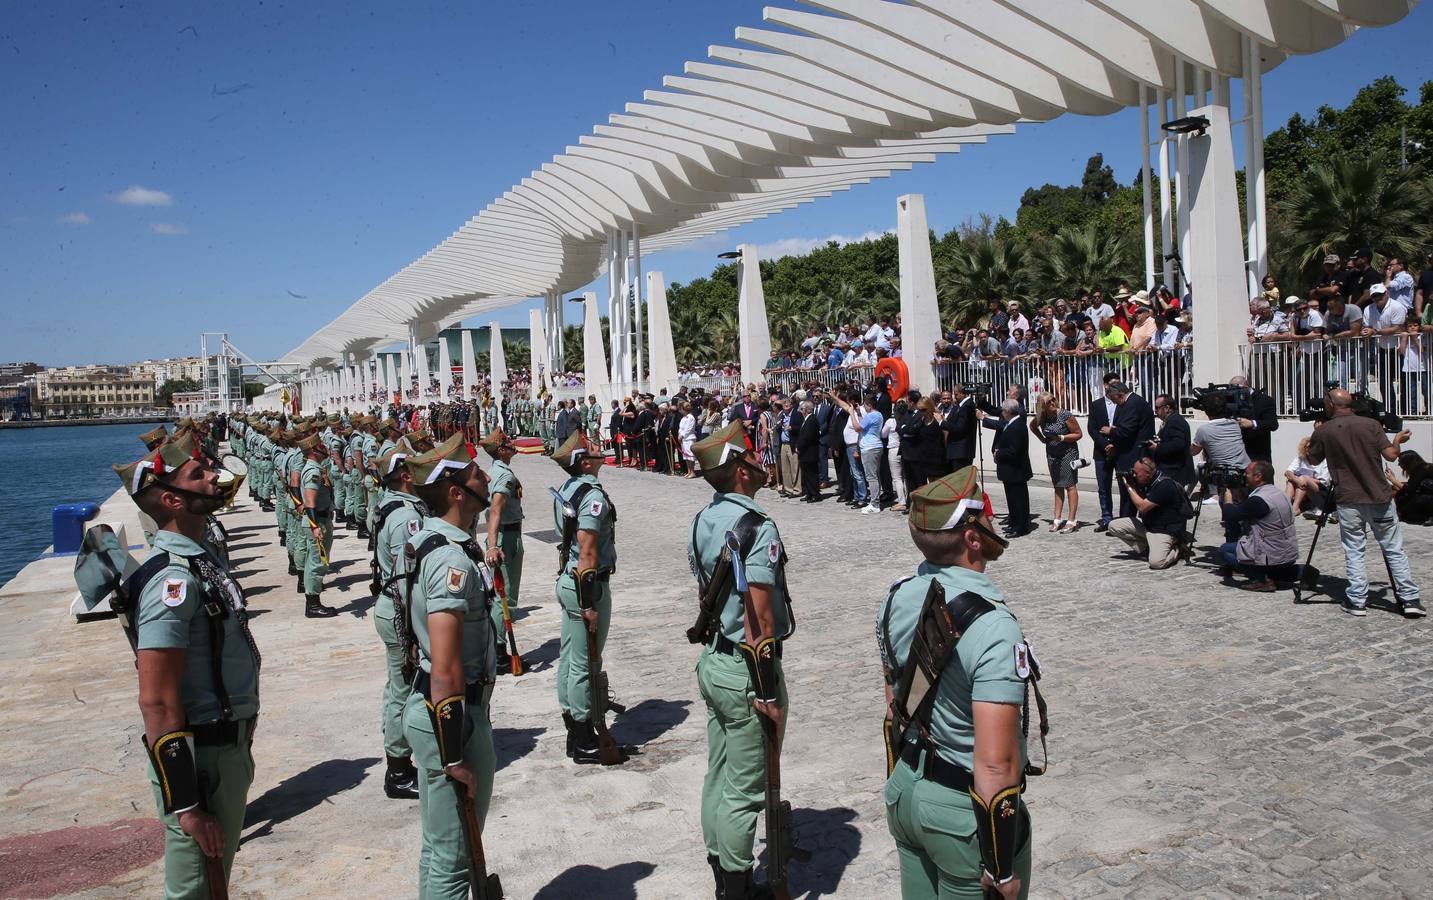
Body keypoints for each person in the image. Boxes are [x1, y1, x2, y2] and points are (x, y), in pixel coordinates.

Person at [877, 467, 1043, 900]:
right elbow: (995, 763)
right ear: (972, 538)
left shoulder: (896, 595)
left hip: (907, 789)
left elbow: (894, 702)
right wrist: (1000, 865)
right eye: (986, 515)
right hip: (961, 814)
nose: (993, 522)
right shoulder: (994, 626)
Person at [108, 434, 261, 898]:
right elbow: (156, 698)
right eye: (199, 474)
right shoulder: (172, 580)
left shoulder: (199, 561)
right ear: (172, 500)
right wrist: (187, 802)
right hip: (201, 756)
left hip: (225, 746)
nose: (214, 475)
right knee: (195, 886)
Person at [686, 421, 795, 899]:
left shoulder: (705, 517)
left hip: (716, 658)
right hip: (746, 668)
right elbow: (760, 621)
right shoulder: (757, 525)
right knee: (746, 790)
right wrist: (768, 690)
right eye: (751, 455)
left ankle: (719, 864)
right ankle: (735, 885)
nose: (759, 460)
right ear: (741, 469)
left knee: (720, 771)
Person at [400, 434, 499, 896]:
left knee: (442, 848)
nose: (487, 477)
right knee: (455, 857)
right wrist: (454, 751)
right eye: (477, 473)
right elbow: (444, 665)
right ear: (457, 492)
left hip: (449, 710)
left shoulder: (440, 542)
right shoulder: (448, 558)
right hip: (450, 714)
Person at [1306, 388, 1423, 617]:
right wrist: (1398, 440)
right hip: (1378, 496)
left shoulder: (1325, 430)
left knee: (1354, 550)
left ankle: (1357, 600)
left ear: (1330, 404)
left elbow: (1312, 459)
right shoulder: (1371, 425)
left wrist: (1315, 435)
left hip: (1348, 499)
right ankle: (1409, 599)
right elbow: (1391, 455)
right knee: (1393, 549)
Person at [547, 431, 628, 763]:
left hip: (569, 578)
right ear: (584, 461)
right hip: (587, 583)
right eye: (594, 448)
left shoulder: (568, 488)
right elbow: (588, 550)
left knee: (569, 657)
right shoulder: (591, 494)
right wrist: (588, 602)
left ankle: (573, 725)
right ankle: (583, 736)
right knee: (584, 662)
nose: (600, 450)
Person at [371, 447, 425, 801]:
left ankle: (400, 764)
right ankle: (399, 772)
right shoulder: (406, 516)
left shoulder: (386, 502)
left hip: (387, 603)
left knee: (398, 688)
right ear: (405, 475)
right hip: (398, 609)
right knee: (402, 690)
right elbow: (407, 576)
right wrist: (412, 628)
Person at [1218, 460, 1299, 592]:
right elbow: (1248, 509)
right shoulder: (1278, 493)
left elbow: (1230, 515)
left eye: (1247, 473)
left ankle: (1261, 579)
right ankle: (1303, 572)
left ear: (1258, 476)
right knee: (1281, 572)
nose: (1244, 476)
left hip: (1270, 554)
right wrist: (1239, 492)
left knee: (1224, 550)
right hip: (1286, 551)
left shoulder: (1259, 500)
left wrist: (1228, 496)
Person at [480, 427, 524, 662]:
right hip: (506, 537)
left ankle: (496, 648)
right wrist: (494, 545)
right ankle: (498, 651)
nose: (511, 446)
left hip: (499, 535)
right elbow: (495, 508)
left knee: (499, 594)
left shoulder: (495, 471)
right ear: (500, 450)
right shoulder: (504, 475)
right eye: (507, 444)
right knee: (505, 596)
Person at [1107, 456, 1191, 570]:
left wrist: (1129, 488)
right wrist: (1134, 485)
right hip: (1150, 526)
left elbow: (1142, 507)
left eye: (1137, 473)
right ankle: (1148, 549)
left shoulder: (1164, 485)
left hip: (1165, 530)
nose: (1134, 475)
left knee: (1156, 563)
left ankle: (1178, 549)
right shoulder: (1149, 481)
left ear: (1147, 473)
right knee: (1114, 526)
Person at [297, 434, 340, 617]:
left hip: (320, 520)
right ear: (314, 450)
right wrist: (315, 527)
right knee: (318, 563)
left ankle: (312, 600)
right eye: (321, 446)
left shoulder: (316, 468)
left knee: (313, 562)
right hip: (318, 522)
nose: (325, 448)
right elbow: (310, 502)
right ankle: (313, 605)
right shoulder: (314, 471)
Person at [1101, 381, 1155, 518]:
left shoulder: (1133, 404)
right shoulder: (1131, 402)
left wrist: (1110, 432)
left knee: (1130, 493)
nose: (1114, 404)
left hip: (1133, 457)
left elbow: (1126, 431)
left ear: (1120, 395)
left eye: (1114, 400)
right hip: (1131, 454)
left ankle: (1127, 522)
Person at [1030, 392, 1082, 533]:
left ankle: (1071, 520)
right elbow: (1033, 426)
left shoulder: (1064, 414)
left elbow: (1078, 434)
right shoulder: (1042, 417)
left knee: (1070, 485)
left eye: (1053, 399)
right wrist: (1042, 439)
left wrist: (1061, 437)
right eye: (1048, 402)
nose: (1053, 403)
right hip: (1052, 454)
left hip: (1068, 452)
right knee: (1057, 485)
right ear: (1042, 406)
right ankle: (1057, 518)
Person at [980, 399, 1033, 537]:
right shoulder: (1011, 423)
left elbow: (1014, 450)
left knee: (1019, 500)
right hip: (1010, 470)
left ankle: (1021, 527)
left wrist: (999, 453)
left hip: (1016, 470)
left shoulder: (1017, 426)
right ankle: (1014, 523)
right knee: (1012, 499)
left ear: (1008, 412)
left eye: (1003, 410)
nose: (1002, 413)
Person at [1086, 372, 1121, 531]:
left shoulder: (1123, 403)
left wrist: (1115, 443)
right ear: (1106, 386)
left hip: (1121, 450)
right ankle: (1107, 517)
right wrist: (1105, 445)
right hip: (1101, 451)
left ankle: (1125, 519)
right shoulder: (1096, 405)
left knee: (1124, 485)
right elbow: (1092, 429)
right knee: (1103, 487)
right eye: (1113, 384)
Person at [1148, 393, 1196, 487]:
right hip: (1171, 469)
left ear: (1166, 408)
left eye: (1157, 407)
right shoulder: (1170, 420)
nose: (1155, 410)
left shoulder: (1175, 421)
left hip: (1175, 471)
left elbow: (1178, 444)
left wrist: (1157, 447)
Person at [1284, 434, 1330, 517]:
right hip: (1302, 486)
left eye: (1311, 447)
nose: (1309, 449)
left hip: (1320, 489)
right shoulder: (1301, 458)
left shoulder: (1324, 461)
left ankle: (1295, 508)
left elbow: (1324, 482)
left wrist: (1306, 479)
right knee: (1291, 480)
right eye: (1307, 447)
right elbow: (1288, 472)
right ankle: (1285, 505)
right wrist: (1296, 479)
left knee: (1303, 478)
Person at [941, 383, 978, 474]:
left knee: (960, 480)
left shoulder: (967, 406)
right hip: (956, 451)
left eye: (956, 394)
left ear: (963, 393)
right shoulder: (960, 405)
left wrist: (941, 423)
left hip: (961, 451)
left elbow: (960, 428)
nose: (955, 397)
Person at [795, 399, 823, 502]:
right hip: (805, 453)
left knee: (812, 474)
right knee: (806, 474)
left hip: (810, 452)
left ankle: (815, 494)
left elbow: (807, 437)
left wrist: (799, 446)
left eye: (802, 409)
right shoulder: (806, 419)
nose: (801, 411)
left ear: (806, 409)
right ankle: (809, 493)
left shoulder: (812, 420)